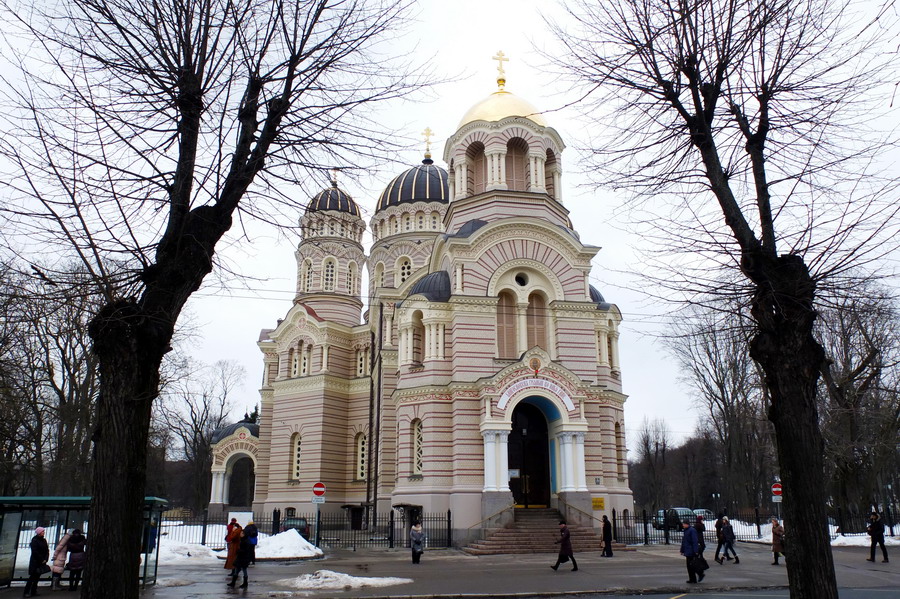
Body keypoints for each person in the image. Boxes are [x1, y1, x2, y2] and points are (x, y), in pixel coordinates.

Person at [24, 526, 50, 598]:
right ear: (39, 533)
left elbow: (47, 550)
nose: (43, 533)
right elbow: (35, 552)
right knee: (32, 577)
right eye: (42, 531)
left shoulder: (44, 540)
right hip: (36, 562)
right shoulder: (35, 540)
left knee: (37, 577)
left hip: (41, 561)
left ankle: (33, 591)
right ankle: (27, 591)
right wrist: (42, 559)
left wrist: (46, 558)